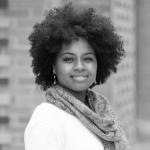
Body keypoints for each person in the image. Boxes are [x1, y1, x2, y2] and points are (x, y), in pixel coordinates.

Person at [24, 2, 130, 150]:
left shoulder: (102, 112)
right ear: (53, 65)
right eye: (68, 59)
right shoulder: (46, 119)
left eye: (87, 58)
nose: (79, 66)